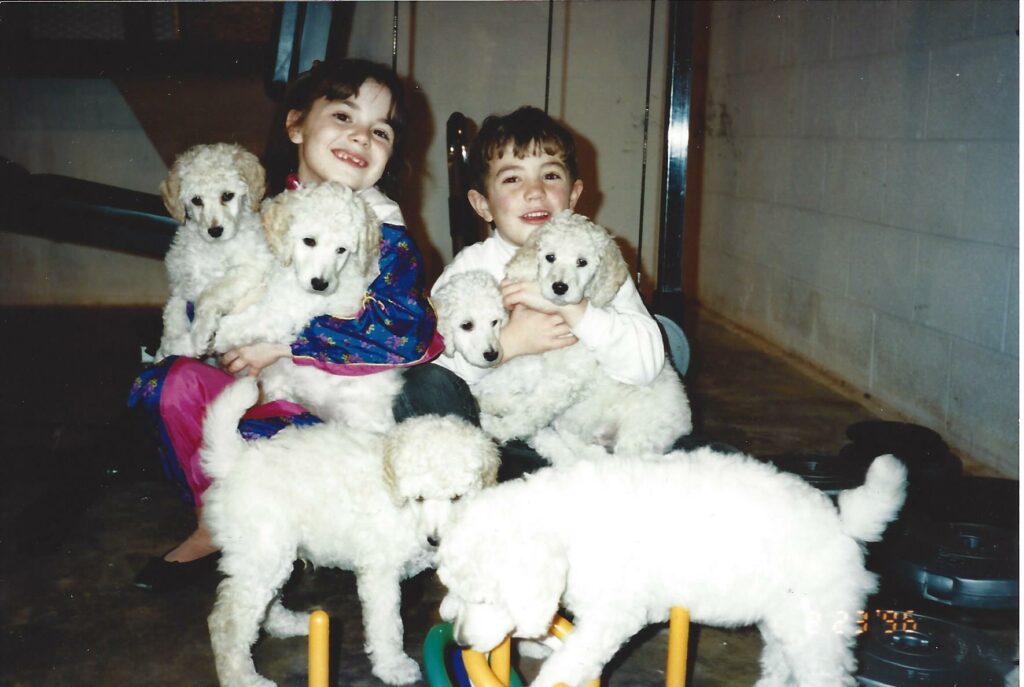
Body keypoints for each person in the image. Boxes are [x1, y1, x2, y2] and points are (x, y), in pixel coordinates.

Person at [129, 58, 444, 591]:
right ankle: (217, 522)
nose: (361, 136)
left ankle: (310, 532)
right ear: (296, 124)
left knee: (279, 435)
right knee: (174, 381)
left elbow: (403, 332)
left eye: (381, 130)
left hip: (336, 412)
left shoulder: (381, 230)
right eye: (344, 116)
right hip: (268, 392)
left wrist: (284, 346)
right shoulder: (262, 209)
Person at [429, 106, 666, 478]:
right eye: (512, 179)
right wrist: (509, 344)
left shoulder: (597, 261)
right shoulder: (467, 272)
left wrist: (578, 310)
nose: (535, 191)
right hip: (511, 440)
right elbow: (436, 381)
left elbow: (645, 366)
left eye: (550, 176)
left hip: (597, 431)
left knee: (700, 459)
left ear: (573, 196)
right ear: (482, 205)